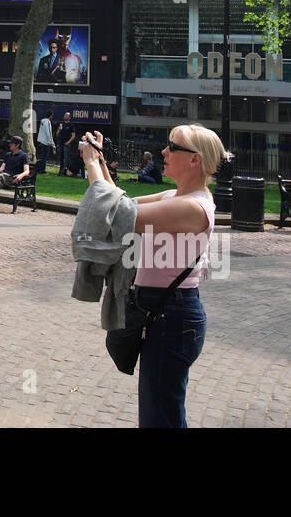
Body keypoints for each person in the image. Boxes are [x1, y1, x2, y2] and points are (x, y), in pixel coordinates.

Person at [82, 124, 220, 428]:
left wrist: (91, 164)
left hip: (171, 317)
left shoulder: (193, 206)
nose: (164, 151)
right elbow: (122, 203)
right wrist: (101, 161)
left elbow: (116, 217)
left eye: (173, 147)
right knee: (160, 413)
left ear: (195, 159)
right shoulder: (175, 195)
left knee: (160, 417)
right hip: (162, 312)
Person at [56, 112, 77, 176]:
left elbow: (73, 136)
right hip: (61, 144)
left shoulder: (71, 125)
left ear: (69, 117)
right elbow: (57, 134)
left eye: (66, 115)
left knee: (66, 159)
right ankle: (60, 171)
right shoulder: (61, 124)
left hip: (66, 145)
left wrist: (68, 142)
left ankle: (66, 172)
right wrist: (58, 130)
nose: (65, 116)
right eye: (65, 115)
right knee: (61, 158)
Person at [36, 109, 54, 174]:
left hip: (41, 141)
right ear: (51, 115)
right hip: (46, 143)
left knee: (42, 157)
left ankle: (39, 169)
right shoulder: (48, 122)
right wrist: (52, 144)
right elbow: (49, 133)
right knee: (44, 157)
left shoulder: (42, 121)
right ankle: (42, 170)